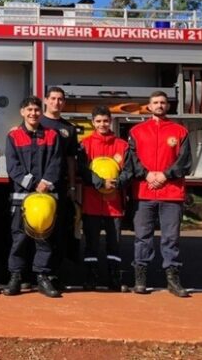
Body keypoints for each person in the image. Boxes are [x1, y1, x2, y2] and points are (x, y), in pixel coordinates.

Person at [128, 91, 193, 297]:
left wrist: (165, 175)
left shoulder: (180, 131)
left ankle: (173, 280)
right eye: (155, 102)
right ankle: (140, 279)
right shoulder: (137, 131)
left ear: (168, 106)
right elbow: (132, 159)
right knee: (142, 237)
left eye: (163, 102)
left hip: (171, 193)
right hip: (144, 192)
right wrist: (146, 175)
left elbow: (185, 161)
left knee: (171, 238)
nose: (159, 105)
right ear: (149, 106)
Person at [4, 96, 63, 298]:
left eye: (37, 110)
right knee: (19, 238)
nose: (33, 113)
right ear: (22, 112)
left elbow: (56, 162)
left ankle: (42, 277)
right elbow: (12, 166)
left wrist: (45, 182)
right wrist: (32, 183)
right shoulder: (13, 136)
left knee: (44, 239)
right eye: (29, 110)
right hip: (22, 197)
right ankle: (16, 277)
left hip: (45, 196)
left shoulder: (52, 136)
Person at [77, 106, 132, 292]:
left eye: (105, 121)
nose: (102, 124)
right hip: (91, 201)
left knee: (114, 243)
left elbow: (129, 170)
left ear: (111, 121)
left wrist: (116, 183)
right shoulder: (85, 144)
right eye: (98, 121)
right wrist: (100, 183)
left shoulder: (122, 145)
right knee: (91, 242)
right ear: (93, 122)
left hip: (114, 202)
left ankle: (114, 277)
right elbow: (82, 170)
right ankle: (90, 277)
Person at [39, 86, 79, 290]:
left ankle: (54, 274)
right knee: (37, 229)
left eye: (60, 99)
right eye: (53, 98)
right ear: (45, 100)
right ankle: (35, 274)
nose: (56, 102)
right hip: (37, 187)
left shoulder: (68, 129)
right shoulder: (37, 123)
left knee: (59, 233)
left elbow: (71, 160)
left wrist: (72, 186)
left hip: (60, 186)